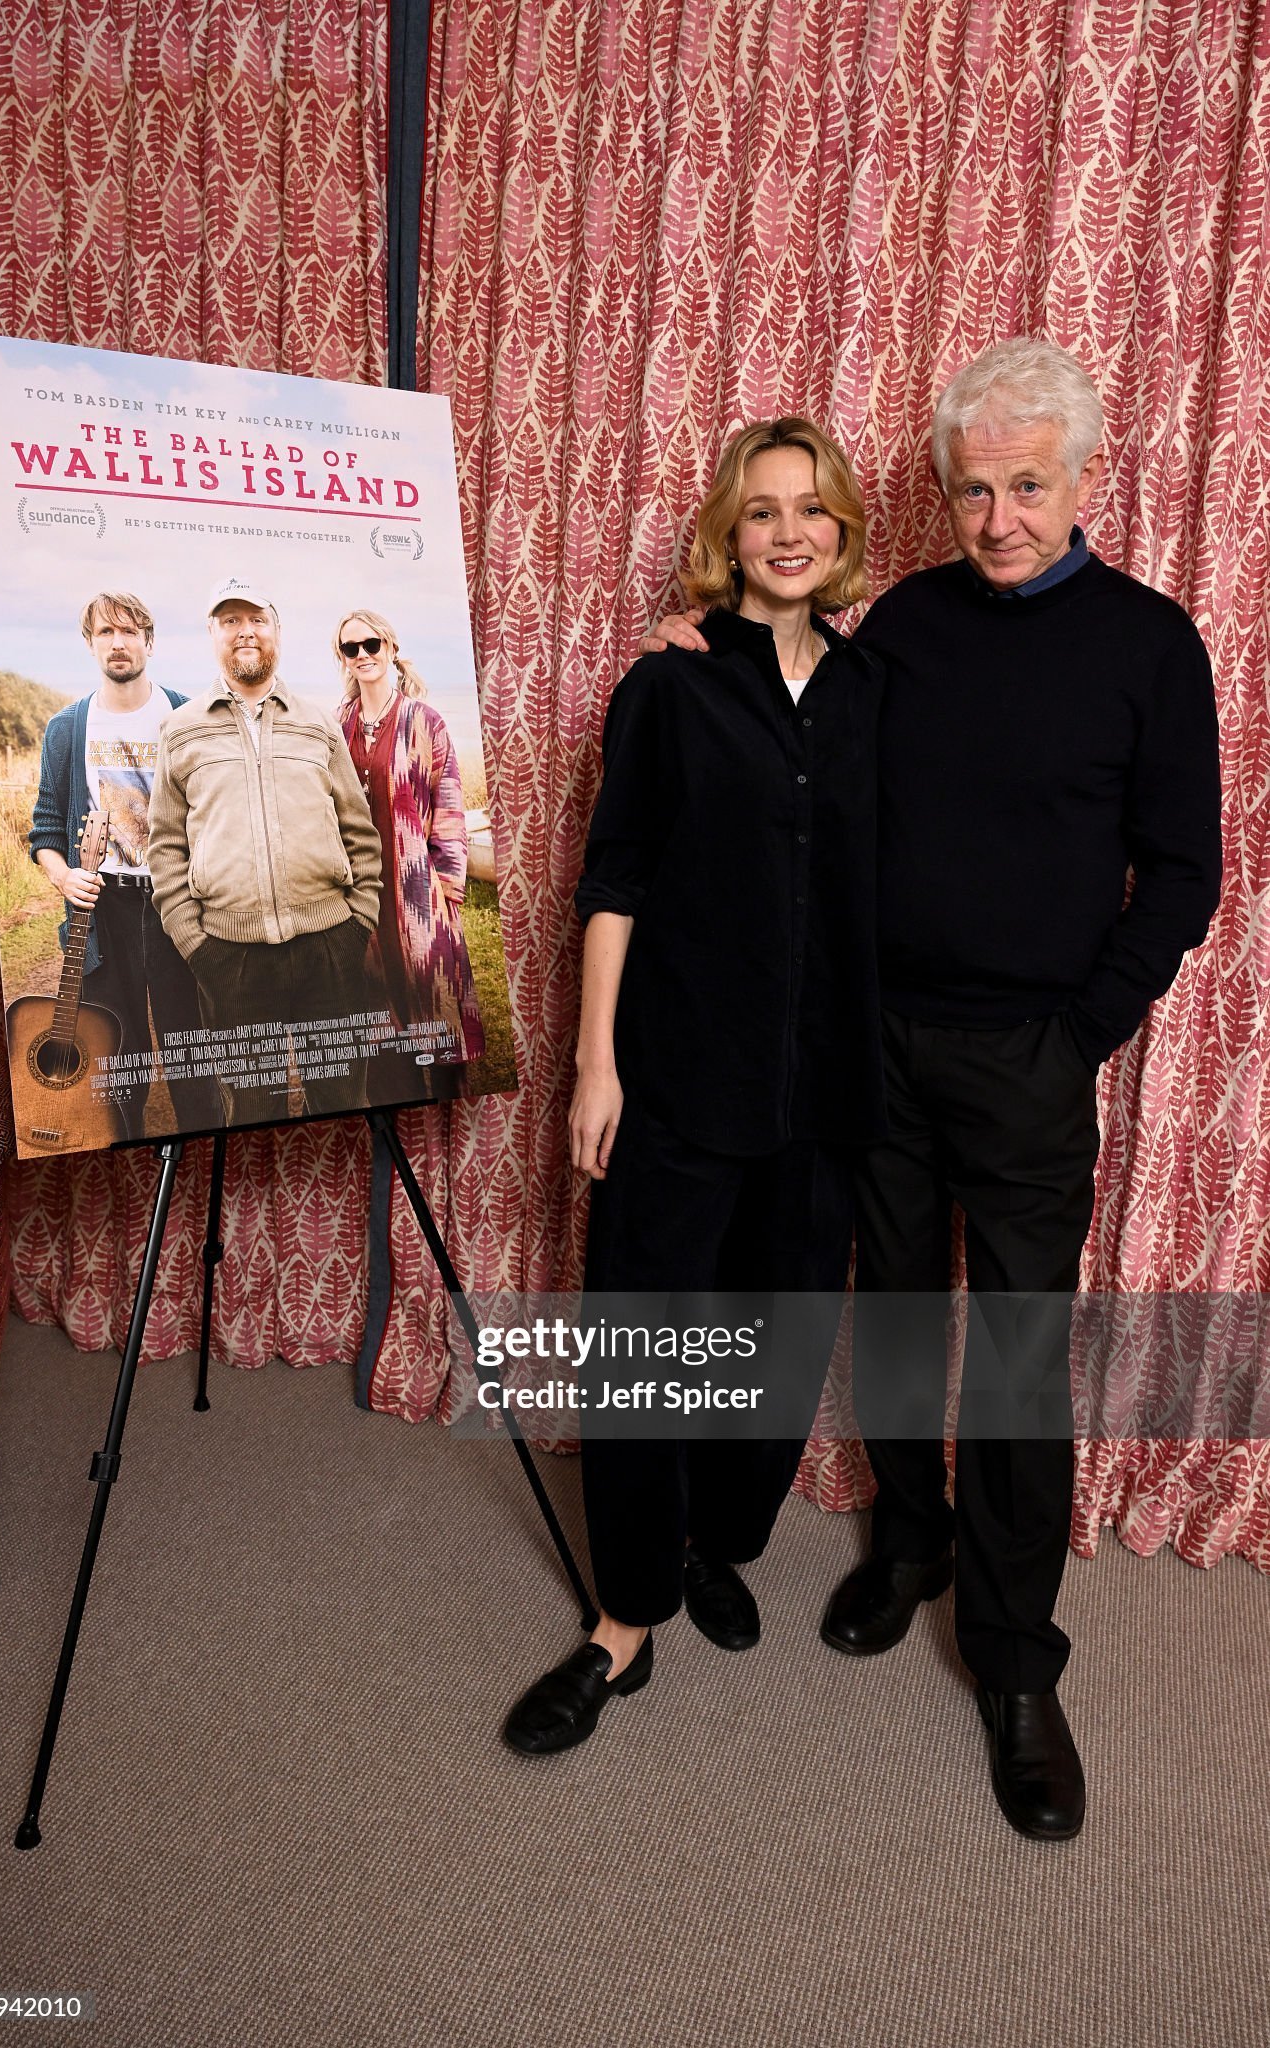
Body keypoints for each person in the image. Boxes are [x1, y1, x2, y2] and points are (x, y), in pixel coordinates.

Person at [643, 338, 1223, 1838]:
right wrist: (699, 655)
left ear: (1082, 480)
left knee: (1019, 1356)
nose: (998, 517)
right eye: (972, 489)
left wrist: (1080, 1030)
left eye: (1027, 485)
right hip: (879, 1040)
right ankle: (910, 1539)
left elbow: (1184, 871)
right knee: (895, 1304)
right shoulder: (901, 621)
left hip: (1030, 1056)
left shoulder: (1151, 644)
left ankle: (1017, 1660)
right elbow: (796, 742)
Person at [502, 418, 885, 1755]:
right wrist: (594, 1064)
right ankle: (624, 1616)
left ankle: (712, 1543)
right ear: (729, 533)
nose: (788, 531)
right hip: (674, 1072)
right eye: (761, 510)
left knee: (777, 1344)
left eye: (811, 508)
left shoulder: (874, 689)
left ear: (841, 531)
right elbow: (613, 879)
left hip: (824, 1090)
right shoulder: (665, 685)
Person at [147, 577, 382, 1128]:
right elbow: (165, 846)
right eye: (230, 621)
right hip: (231, 957)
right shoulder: (180, 731)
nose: (245, 631)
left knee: (342, 1105)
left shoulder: (318, 724)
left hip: (330, 947)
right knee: (251, 1114)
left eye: (257, 619)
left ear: (277, 630)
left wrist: (358, 926)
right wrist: (197, 945)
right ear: (212, 634)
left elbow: (359, 830)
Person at [28, 591, 220, 1141]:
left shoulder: (185, 715)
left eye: (129, 631)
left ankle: (208, 1157)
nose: (118, 643)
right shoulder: (68, 728)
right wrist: (63, 875)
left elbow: (214, 813)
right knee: (116, 1055)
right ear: (90, 644)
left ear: (149, 642)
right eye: (105, 632)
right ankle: (126, 1160)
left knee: (191, 1052)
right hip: (103, 909)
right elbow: (45, 827)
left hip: (175, 902)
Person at [332, 608, 485, 1097]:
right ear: (343, 657)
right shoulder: (338, 725)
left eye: (371, 644)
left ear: (391, 648)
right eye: (351, 648)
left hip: (419, 893)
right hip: (361, 893)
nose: (362, 654)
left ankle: (449, 1117)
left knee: (435, 1012)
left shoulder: (425, 721)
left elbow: (450, 809)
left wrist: (447, 891)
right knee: (380, 1026)